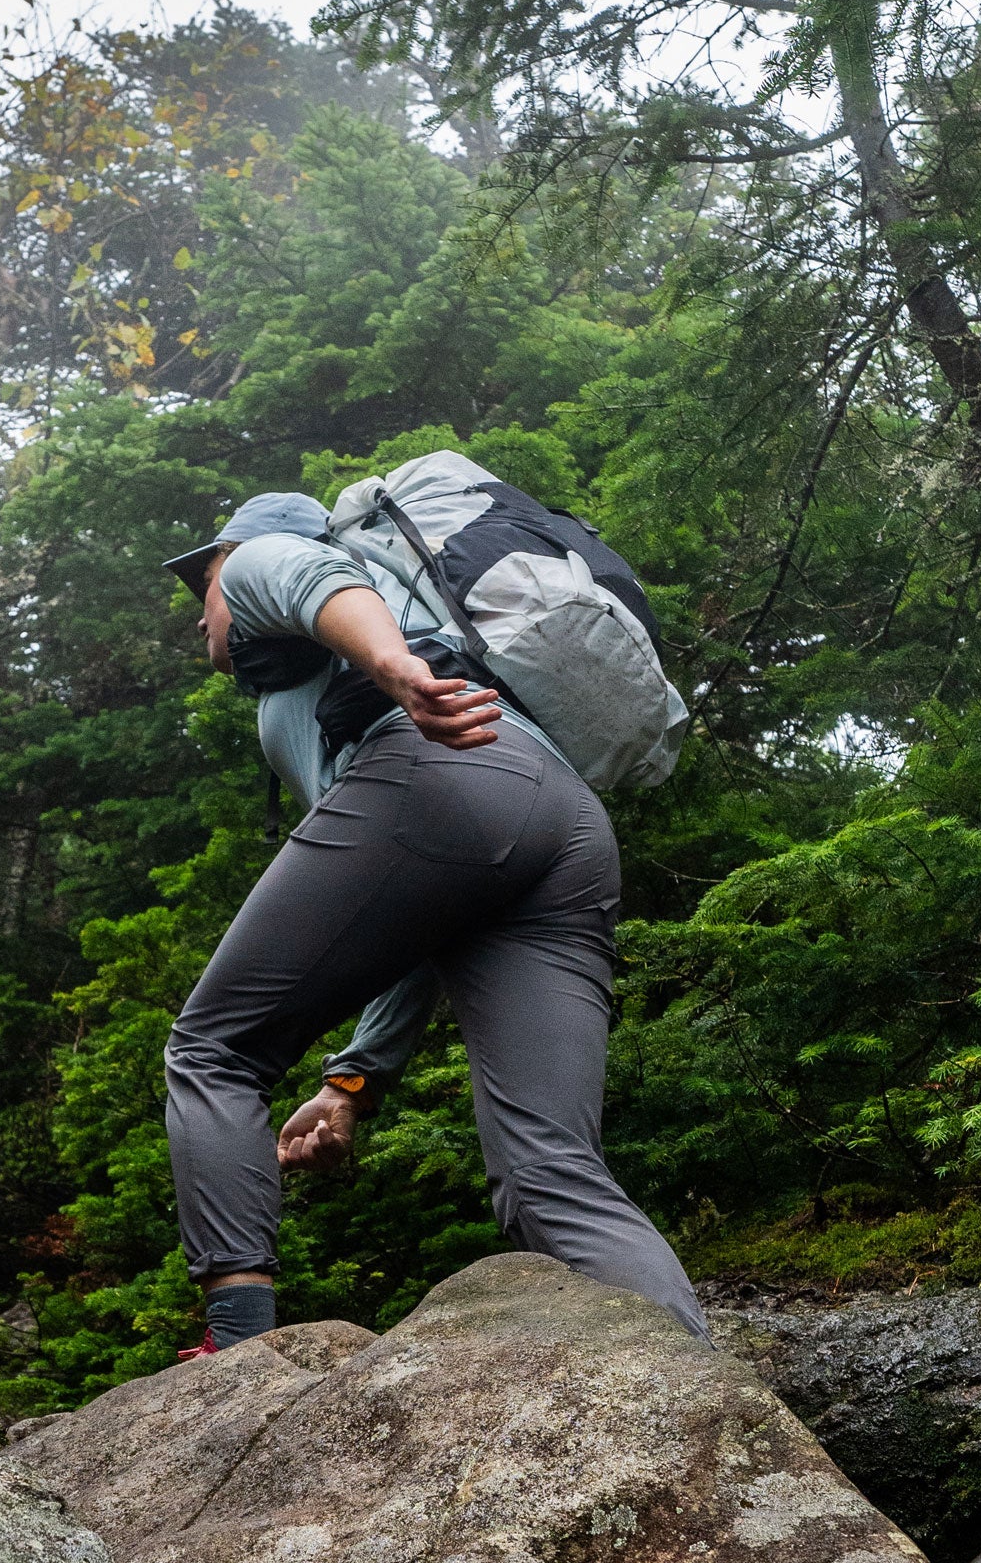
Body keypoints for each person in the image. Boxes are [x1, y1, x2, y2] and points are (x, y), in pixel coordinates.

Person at [157, 489, 704, 1353]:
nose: (199, 614)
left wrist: (393, 667)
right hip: (562, 826)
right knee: (550, 1171)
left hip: (441, 769)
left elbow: (313, 578)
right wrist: (351, 1084)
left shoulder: (271, 561)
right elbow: (405, 917)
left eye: (203, 582)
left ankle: (236, 1350)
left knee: (214, 1050)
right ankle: (696, 1387)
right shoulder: (328, 672)